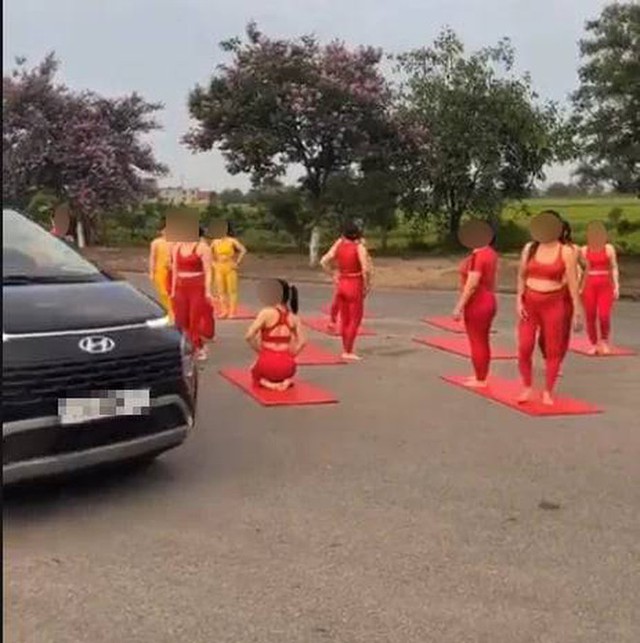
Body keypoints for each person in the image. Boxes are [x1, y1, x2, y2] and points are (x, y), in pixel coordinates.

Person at [516, 212, 583, 405]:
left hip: (553, 304)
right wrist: (518, 301)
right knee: (524, 347)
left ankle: (548, 391)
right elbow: (521, 276)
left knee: (553, 349)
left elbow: (573, 283)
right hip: (530, 303)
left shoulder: (566, 251)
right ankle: (527, 387)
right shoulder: (530, 248)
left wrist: (577, 310)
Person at [452, 221, 498, 388]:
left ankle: (481, 379)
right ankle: (481, 375)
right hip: (488, 299)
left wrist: (459, 306)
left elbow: (472, 284)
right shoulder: (490, 253)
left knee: (477, 340)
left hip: (478, 302)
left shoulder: (479, 256)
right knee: (482, 340)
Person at [320, 221, 373, 361]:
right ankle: (348, 351)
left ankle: (345, 348)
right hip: (355, 283)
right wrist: (367, 284)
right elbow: (366, 269)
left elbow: (323, 261)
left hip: (342, 282)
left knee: (345, 318)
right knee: (355, 319)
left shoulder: (339, 244)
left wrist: (332, 274)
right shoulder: (359, 248)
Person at [245, 279, 306, 391]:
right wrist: (291, 356)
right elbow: (303, 342)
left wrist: (260, 351)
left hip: (267, 362)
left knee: (254, 371)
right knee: (281, 369)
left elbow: (249, 336)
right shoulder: (294, 317)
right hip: (287, 365)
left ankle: (269, 384)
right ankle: (286, 380)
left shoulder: (266, 313)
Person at [171, 227, 215, 361]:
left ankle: (199, 346)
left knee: (194, 318)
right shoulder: (177, 247)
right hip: (181, 286)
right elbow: (174, 270)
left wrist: (208, 291)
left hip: (197, 286)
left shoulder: (202, 248)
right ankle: (185, 346)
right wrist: (173, 290)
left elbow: (208, 271)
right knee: (181, 318)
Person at [580, 221, 620, 355]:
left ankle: (604, 341)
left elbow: (614, 267)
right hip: (589, 284)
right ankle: (594, 343)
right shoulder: (584, 250)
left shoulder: (609, 248)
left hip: (605, 284)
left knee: (604, 315)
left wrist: (616, 285)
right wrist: (580, 287)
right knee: (590, 315)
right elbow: (582, 270)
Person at [327, 237, 369, 331]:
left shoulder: (349, 242)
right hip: (351, 276)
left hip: (345, 276)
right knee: (344, 300)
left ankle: (334, 321)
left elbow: (327, 259)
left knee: (339, 298)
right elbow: (327, 258)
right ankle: (339, 322)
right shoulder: (343, 242)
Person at [211, 221, 247, 319]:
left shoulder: (232, 241)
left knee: (232, 290)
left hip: (230, 266)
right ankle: (224, 311)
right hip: (219, 267)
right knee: (221, 291)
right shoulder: (215, 241)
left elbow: (243, 250)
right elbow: (209, 253)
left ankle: (232, 312)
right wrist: (213, 263)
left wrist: (237, 262)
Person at [148, 221, 174, 320]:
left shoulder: (175, 242)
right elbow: (152, 257)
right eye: (165, 230)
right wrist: (151, 272)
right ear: (161, 231)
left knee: (172, 292)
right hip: (160, 270)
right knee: (163, 292)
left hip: (172, 270)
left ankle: (174, 312)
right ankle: (169, 311)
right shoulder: (156, 242)